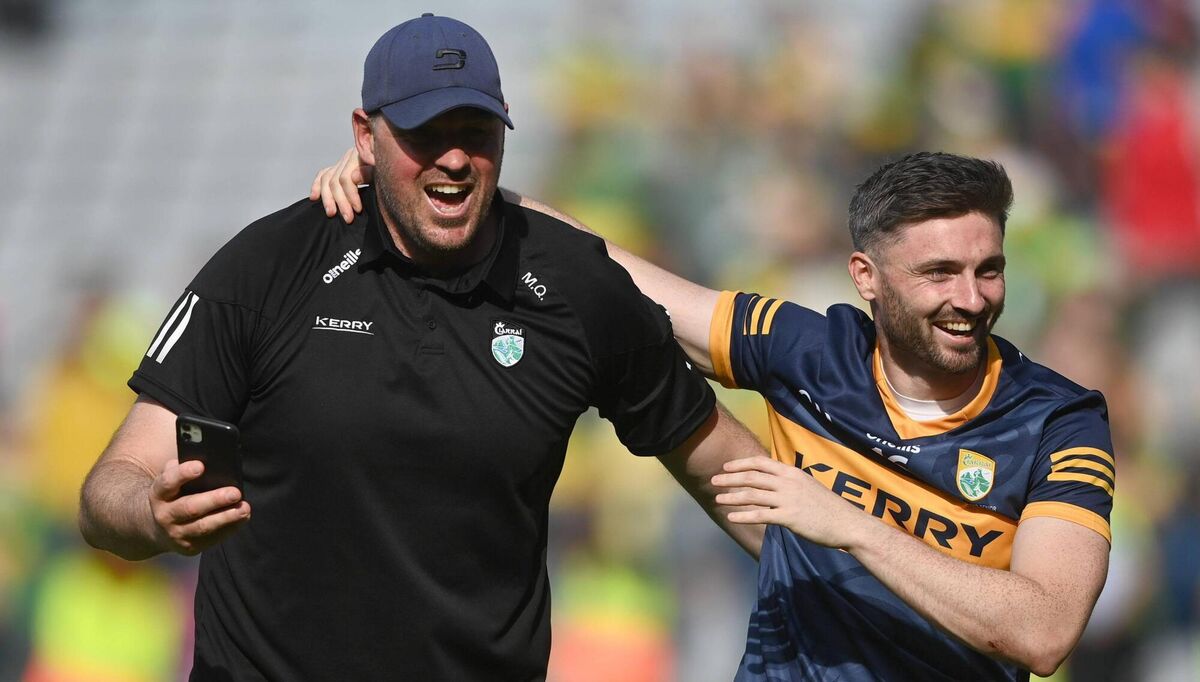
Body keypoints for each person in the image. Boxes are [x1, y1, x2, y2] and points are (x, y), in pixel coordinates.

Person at [78, 14, 766, 681]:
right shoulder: (266, 267)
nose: (456, 156)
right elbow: (111, 486)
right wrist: (152, 514)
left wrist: (859, 581)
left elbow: (728, 474)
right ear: (365, 138)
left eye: (476, 130)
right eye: (425, 132)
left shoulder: (576, 288)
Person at [314, 151, 1115, 680]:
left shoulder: (1060, 422)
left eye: (987, 270)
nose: (970, 299)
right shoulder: (810, 349)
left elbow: (1045, 630)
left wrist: (847, 521)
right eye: (939, 273)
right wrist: (424, 185)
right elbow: (611, 275)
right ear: (866, 277)